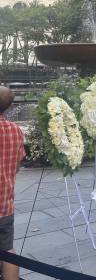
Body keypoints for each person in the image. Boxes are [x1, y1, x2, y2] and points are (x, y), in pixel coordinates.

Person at [0, 86, 25, 280]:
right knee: (8, 251)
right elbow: (17, 166)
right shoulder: (16, 131)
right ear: (8, 108)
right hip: (5, 207)